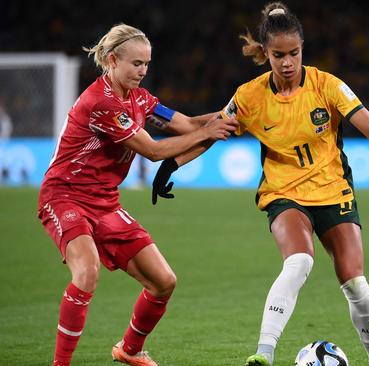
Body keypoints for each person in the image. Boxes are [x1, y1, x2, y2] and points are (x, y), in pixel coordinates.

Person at [151, 3, 369, 365]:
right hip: (283, 194)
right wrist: (171, 163)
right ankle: (264, 353)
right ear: (265, 53)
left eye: (294, 53)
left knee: (355, 284)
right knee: (298, 262)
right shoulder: (250, 95)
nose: (287, 62)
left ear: (302, 49)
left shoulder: (326, 85)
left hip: (332, 191)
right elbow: (212, 132)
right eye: (278, 55)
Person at [37, 24, 238, 366]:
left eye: (146, 63)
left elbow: (187, 125)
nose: (143, 70)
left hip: (105, 203)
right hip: (64, 196)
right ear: (113, 60)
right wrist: (211, 131)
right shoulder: (101, 102)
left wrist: (232, 113)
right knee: (86, 272)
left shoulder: (142, 99)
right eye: (136, 64)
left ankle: (129, 350)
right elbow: (154, 152)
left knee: (163, 281)